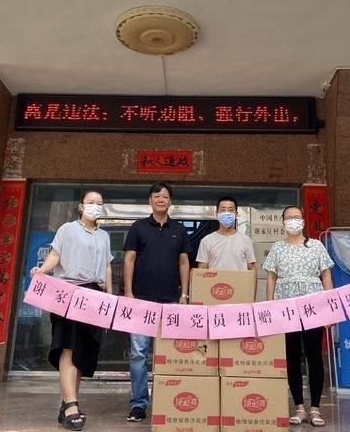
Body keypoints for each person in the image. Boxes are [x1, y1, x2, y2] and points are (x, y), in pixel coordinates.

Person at [30, 190, 112, 431]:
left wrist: (109, 294)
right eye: (90, 202)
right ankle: (71, 406)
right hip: (69, 293)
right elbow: (55, 254)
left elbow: (107, 266)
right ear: (81, 206)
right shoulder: (67, 229)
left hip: (94, 296)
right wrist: (42, 271)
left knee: (82, 352)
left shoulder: (104, 236)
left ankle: (66, 403)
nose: (94, 206)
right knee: (69, 346)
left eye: (99, 203)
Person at [123, 182, 191, 423]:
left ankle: (169, 401)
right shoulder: (138, 227)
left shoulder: (179, 230)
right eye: (156, 196)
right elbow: (129, 259)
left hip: (171, 302)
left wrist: (184, 295)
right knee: (138, 354)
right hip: (141, 301)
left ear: (171, 201)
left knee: (172, 354)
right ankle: (139, 404)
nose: (161, 200)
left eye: (165, 196)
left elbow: (184, 262)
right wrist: (128, 292)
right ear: (150, 200)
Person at [262, 206, 334, 428]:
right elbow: (271, 278)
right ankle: (299, 408)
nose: (293, 220)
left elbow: (326, 275)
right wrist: (271, 307)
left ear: (303, 219)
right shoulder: (278, 247)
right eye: (288, 217)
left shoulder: (316, 246)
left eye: (296, 217)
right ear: (282, 222)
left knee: (314, 356)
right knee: (292, 357)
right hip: (286, 309)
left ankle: (315, 409)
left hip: (313, 307)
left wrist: (330, 309)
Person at [196, 195, 256, 271]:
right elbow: (202, 270)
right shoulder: (206, 241)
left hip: (238, 279)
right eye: (223, 209)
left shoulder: (246, 240)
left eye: (230, 210)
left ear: (236, 214)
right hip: (216, 279)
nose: (227, 213)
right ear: (217, 213)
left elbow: (252, 268)